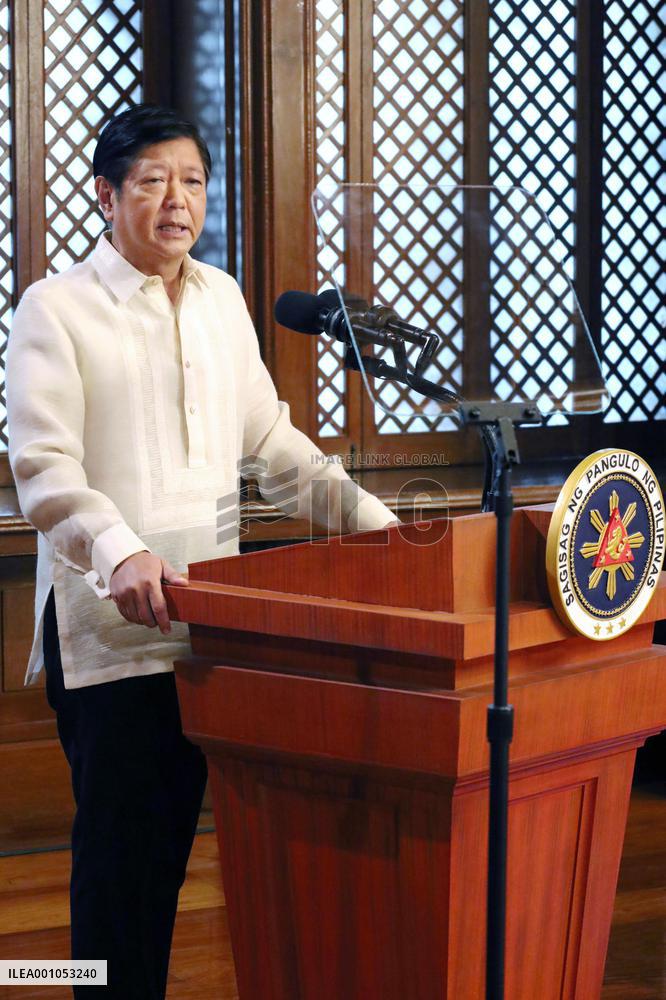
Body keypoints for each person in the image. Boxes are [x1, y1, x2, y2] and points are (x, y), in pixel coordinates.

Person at [6, 104, 395, 998]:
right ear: (106, 194)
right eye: (150, 181)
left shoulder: (222, 299)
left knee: (175, 856)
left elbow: (273, 442)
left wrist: (382, 530)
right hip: (112, 632)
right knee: (118, 864)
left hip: (214, 627)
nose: (175, 200)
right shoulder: (55, 309)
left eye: (191, 181)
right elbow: (42, 466)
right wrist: (120, 550)